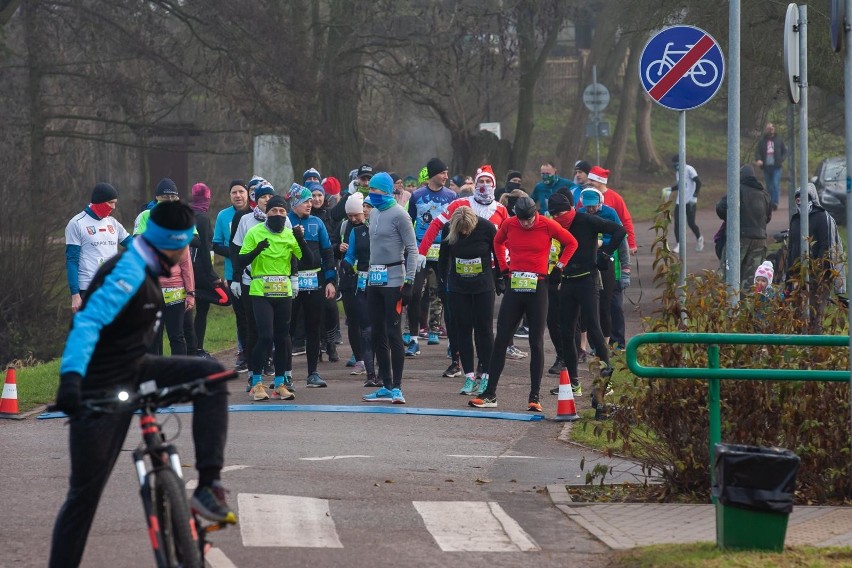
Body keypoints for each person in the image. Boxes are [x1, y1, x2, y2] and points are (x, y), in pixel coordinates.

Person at [49, 201, 236, 568]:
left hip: (136, 367)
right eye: (186, 246)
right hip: (97, 385)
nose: (188, 252)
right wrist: (70, 382)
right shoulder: (128, 272)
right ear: (172, 243)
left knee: (212, 374)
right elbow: (87, 325)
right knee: (84, 497)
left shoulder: (150, 266)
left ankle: (207, 488)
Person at [468, 196, 578, 411]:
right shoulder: (509, 224)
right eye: (522, 220)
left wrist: (559, 266)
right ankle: (490, 394)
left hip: (538, 286)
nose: (526, 224)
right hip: (515, 285)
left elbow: (572, 243)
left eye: (529, 220)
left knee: (536, 342)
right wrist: (503, 266)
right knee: (501, 339)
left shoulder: (547, 224)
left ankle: (534, 396)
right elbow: (497, 242)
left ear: (535, 213)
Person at [417, 164, 509, 377]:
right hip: (458, 275)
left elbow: (506, 241)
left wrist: (506, 270)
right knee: (459, 323)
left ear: (494, 185)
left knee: (484, 326)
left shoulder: (500, 210)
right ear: (474, 185)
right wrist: (422, 251)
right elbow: (436, 226)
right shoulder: (460, 204)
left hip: (487, 274)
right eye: (481, 182)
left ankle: (485, 370)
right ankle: (457, 361)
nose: (484, 186)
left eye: (488, 182)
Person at [547, 192, 626, 418]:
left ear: (570, 209)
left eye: (561, 214)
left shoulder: (585, 220)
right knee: (567, 333)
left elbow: (620, 230)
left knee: (594, 328)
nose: (558, 218)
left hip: (588, 280)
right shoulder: (554, 226)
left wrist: (605, 254)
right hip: (567, 282)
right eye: (554, 215)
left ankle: (605, 381)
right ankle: (573, 382)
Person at [239, 194, 311, 400]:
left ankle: (280, 383)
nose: (278, 214)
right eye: (274, 211)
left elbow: (309, 261)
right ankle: (257, 382)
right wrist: (257, 249)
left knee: (281, 338)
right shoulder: (254, 232)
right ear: (267, 213)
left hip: (283, 290)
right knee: (265, 336)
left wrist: (300, 240)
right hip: (261, 290)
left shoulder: (289, 234)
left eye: (281, 211)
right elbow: (240, 260)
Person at [361, 172, 418, 403]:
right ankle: (384, 384)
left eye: (375, 190)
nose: (371, 194)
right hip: (375, 279)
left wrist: (410, 282)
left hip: (394, 279)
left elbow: (412, 249)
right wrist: (366, 280)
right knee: (376, 333)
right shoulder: (373, 213)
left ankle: (397, 387)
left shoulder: (400, 215)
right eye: (370, 190)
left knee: (393, 333)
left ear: (385, 191)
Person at [437, 206, 498, 396]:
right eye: (460, 231)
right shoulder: (448, 228)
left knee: (484, 330)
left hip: (482, 286)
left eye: (466, 230)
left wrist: (500, 278)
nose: (463, 233)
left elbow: (498, 254)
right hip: (458, 287)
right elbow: (443, 257)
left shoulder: (487, 227)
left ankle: (486, 375)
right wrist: (442, 283)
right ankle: (469, 376)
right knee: (462, 329)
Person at [288, 183, 337, 388]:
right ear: (294, 202)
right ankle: (285, 374)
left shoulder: (317, 222)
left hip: (314, 280)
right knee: (288, 328)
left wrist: (330, 280)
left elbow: (327, 253)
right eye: (305, 201)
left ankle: (313, 373)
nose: (310, 204)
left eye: (311, 201)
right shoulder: (285, 222)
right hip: (290, 281)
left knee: (313, 326)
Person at [407, 157, 457, 357]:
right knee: (415, 293)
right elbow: (408, 222)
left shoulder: (452, 195)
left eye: (446, 172)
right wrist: (411, 249)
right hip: (421, 250)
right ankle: (413, 339)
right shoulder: (417, 195)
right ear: (432, 174)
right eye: (442, 173)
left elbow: (456, 223)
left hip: (444, 248)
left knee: (446, 293)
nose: (446, 176)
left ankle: (449, 340)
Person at [64, 182, 131, 313]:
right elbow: (72, 261)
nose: (114, 207)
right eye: (110, 202)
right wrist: (75, 295)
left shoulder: (113, 223)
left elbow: (134, 244)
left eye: (115, 202)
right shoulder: (77, 223)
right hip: (88, 288)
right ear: (99, 201)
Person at [787, 184, 845, 333]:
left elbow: (827, 247)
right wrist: (788, 278)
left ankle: (815, 350)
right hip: (797, 278)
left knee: (815, 315)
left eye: (803, 198)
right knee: (797, 316)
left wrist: (816, 272)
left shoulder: (822, 218)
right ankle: (801, 351)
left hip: (819, 278)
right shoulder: (795, 220)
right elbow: (791, 250)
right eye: (797, 199)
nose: (800, 202)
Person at [340, 192, 379, 386]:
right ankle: (370, 374)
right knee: (366, 329)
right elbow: (350, 255)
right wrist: (346, 264)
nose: (364, 212)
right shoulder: (357, 232)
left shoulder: (384, 227)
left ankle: (384, 371)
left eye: (367, 209)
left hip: (383, 282)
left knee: (382, 328)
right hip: (363, 283)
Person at [212, 180, 250, 371]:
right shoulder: (223, 216)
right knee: (241, 316)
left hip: (258, 273)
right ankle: (243, 353)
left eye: (241, 192)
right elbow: (216, 244)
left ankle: (264, 353)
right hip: (233, 273)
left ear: (247, 194)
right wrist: (235, 253)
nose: (238, 196)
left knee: (258, 315)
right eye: (234, 192)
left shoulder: (255, 213)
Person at [715, 164, 772, 290]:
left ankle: (727, 307)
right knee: (752, 281)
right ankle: (748, 307)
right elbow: (768, 217)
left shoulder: (737, 189)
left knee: (727, 277)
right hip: (760, 240)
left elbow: (720, 207)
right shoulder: (765, 194)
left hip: (739, 239)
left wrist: (732, 219)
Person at [188, 182, 220, 358]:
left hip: (186, 269)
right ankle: (198, 348)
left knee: (187, 313)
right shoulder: (203, 218)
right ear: (207, 198)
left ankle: (191, 349)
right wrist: (212, 275)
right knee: (203, 309)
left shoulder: (185, 215)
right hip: (201, 271)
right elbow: (205, 250)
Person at [668, 154, 704, 253]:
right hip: (680, 202)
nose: (675, 166)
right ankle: (679, 244)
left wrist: (694, 196)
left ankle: (699, 238)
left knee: (691, 223)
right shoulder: (678, 173)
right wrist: (670, 189)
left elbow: (698, 182)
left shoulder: (689, 169)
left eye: (676, 164)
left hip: (690, 201)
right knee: (677, 223)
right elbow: (680, 185)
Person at [754, 123, 787, 210]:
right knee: (768, 186)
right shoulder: (762, 141)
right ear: (766, 130)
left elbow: (784, 151)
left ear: (774, 129)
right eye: (769, 128)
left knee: (775, 184)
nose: (770, 129)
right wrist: (758, 160)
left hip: (776, 166)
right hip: (766, 167)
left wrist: (781, 159)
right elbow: (757, 152)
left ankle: (775, 202)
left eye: (772, 128)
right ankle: (769, 202)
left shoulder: (779, 139)